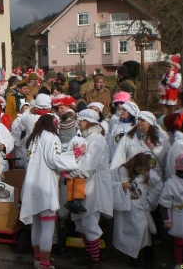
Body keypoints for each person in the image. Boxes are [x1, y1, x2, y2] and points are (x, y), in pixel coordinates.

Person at [20, 114, 79, 269]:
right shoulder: (52, 138)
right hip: (45, 187)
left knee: (36, 226)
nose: (58, 126)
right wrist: (75, 155)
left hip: (31, 187)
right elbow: (54, 160)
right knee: (47, 228)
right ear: (53, 123)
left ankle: (38, 260)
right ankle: (45, 264)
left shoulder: (33, 138)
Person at [68, 109, 113, 269]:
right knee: (81, 224)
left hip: (94, 188)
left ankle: (95, 260)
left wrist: (69, 173)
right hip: (82, 187)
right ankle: (90, 256)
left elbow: (88, 167)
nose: (79, 123)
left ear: (89, 121)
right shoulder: (88, 138)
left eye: (81, 120)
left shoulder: (98, 140)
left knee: (90, 225)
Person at [111, 153, 162, 268]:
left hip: (141, 209)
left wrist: (149, 200)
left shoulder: (148, 174)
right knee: (131, 235)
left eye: (144, 169)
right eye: (139, 168)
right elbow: (109, 180)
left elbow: (158, 185)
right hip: (126, 211)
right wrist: (119, 185)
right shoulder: (122, 171)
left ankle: (148, 260)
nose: (141, 171)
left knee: (144, 234)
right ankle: (133, 258)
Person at [110, 111, 170, 181]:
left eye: (142, 120)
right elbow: (119, 157)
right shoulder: (129, 137)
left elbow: (167, 162)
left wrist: (167, 181)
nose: (139, 122)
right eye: (138, 119)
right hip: (133, 181)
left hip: (155, 182)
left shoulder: (161, 138)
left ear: (149, 123)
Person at [12, 94, 52, 170]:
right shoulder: (54, 118)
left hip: (32, 148)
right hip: (42, 148)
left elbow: (16, 126)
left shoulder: (29, 117)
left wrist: (16, 142)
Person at [11, 102, 31, 169]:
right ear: (21, 110)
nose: (26, 110)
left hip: (28, 145)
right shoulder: (17, 120)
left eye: (27, 108)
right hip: (20, 145)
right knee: (20, 161)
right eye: (24, 108)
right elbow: (14, 130)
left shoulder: (31, 119)